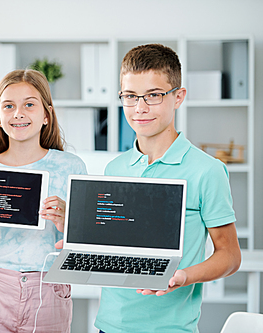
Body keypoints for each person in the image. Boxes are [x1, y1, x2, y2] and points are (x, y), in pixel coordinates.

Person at [93, 44, 241, 332]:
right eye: (130, 96)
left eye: (153, 95)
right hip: (109, 325)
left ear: (178, 97)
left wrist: (183, 276)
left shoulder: (207, 171)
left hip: (170, 328)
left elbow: (230, 255)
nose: (140, 108)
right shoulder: (115, 169)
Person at [0, 69, 87, 333]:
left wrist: (67, 222)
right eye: (8, 106)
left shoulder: (71, 167)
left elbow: (83, 253)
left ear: (46, 115)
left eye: (29, 105)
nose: (18, 113)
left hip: (49, 291)